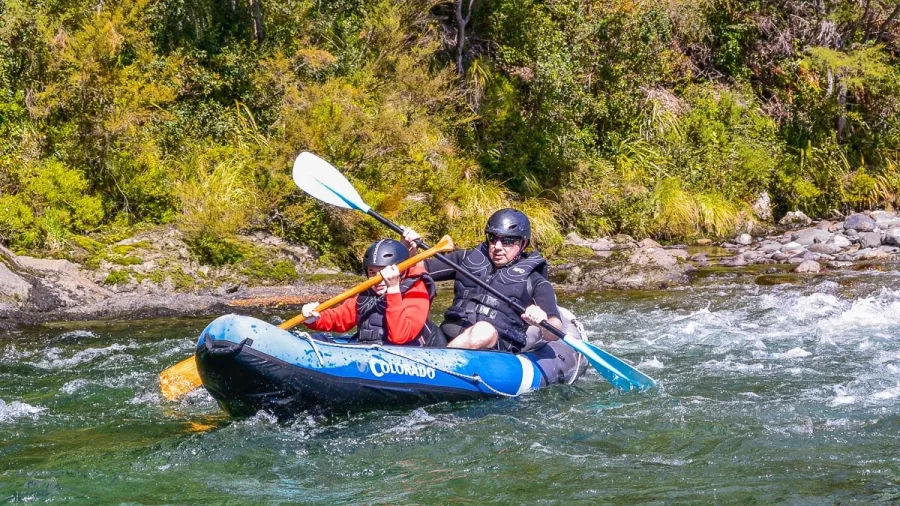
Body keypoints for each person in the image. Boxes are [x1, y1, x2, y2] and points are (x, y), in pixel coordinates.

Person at [404, 208, 562, 353]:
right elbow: (418, 269)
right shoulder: (467, 259)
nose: (497, 246)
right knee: (413, 317)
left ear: (523, 243)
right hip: (445, 338)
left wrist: (541, 320)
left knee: (483, 330)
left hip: (493, 350)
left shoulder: (535, 280)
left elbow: (555, 329)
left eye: (507, 241)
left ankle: (439, 361)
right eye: (493, 239)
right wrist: (409, 251)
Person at [300, 239, 446, 347]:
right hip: (374, 351)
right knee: (316, 339)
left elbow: (400, 336)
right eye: (372, 272)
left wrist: (393, 290)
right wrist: (314, 318)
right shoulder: (367, 293)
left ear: (400, 272)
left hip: (413, 355)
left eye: (384, 271)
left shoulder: (416, 291)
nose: (378, 279)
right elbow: (339, 317)